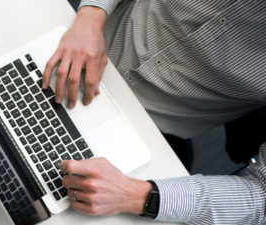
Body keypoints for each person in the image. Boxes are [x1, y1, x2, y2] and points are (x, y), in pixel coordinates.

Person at [42, 0, 266, 224]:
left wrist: (137, 195)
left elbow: (261, 196)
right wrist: (92, 15)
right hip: (79, 38)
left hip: (150, 132)